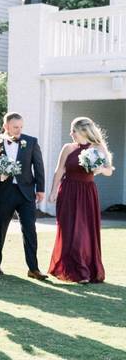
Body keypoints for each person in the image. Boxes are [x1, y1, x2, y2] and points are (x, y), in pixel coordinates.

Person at [47, 117, 114, 284]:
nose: (71, 134)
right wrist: (53, 191)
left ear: (84, 131)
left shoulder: (98, 148)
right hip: (68, 191)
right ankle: (72, 270)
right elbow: (59, 170)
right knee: (69, 229)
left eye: (74, 131)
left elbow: (109, 171)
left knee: (83, 231)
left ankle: (84, 271)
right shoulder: (68, 148)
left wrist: (99, 168)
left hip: (87, 193)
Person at [0, 113, 46, 281]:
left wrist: (41, 189)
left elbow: (38, 166)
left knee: (30, 229)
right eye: (15, 127)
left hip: (26, 193)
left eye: (21, 127)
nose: (19, 130)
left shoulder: (31, 141)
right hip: (4, 192)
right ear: (6, 126)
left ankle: (33, 268)